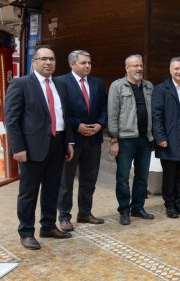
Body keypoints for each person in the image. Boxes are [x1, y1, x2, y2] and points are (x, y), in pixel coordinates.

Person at [5, 46, 74, 250]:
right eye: (43, 59)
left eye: (51, 59)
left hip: (57, 144)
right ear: (34, 61)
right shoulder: (21, 84)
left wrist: (69, 142)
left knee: (52, 189)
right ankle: (26, 232)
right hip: (31, 148)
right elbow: (12, 119)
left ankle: (48, 226)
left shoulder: (60, 85)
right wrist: (18, 147)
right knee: (29, 192)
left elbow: (64, 116)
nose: (48, 62)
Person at [56, 50, 107, 232]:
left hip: (94, 139)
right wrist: (77, 126)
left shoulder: (97, 83)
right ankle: (64, 216)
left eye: (89, 63)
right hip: (71, 139)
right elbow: (59, 110)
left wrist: (100, 124)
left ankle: (85, 212)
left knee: (89, 178)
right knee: (66, 179)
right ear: (72, 64)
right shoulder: (60, 82)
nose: (87, 66)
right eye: (83, 63)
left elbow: (104, 107)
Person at [108, 54, 155, 225]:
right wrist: (114, 140)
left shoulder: (149, 86)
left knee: (142, 176)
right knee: (123, 177)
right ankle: (124, 210)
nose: (139, 68)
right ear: (127, 68)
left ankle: (138, 207)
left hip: (145, 139)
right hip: (125, 140)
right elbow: (112, 114)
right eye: (135, 65)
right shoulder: (118, 86)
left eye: (140, 65)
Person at [152, 57, 180, 219]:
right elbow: (157, 116)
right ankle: (170, 206)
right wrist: (160, 137)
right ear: (170, 70)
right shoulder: (161, 89)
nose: (179, 72)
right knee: (169, 175)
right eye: (176, 69)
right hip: (168, 139)